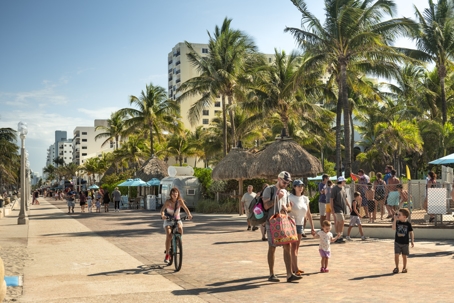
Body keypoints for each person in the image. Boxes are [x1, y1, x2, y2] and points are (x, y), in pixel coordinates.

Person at [262, 171, 301, 283]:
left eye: (287, 183)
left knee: (287, 246)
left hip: (283, 222)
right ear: (279, 179)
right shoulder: (269, 190)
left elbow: (289, 208)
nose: (286, 184)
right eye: (284, 182)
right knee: (272, 247)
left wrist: (287, 208)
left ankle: (289, 274)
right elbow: (266, 206)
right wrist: (277, 198)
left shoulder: (286, 192)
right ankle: (271, 274)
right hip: (272, 222)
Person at [289, 179, 315, 276]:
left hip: (300, 225)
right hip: (291, 224)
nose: (300, 188)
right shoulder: (290, 197)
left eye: (302, 186)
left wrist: (312, 227)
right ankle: (295, 269)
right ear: (294, 187)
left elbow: (308, 213)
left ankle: (294, 267)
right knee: (294, 247)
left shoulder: (305, 198)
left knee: (297, 247)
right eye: (298, 186)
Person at [160, 187, 193, 264]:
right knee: (169, 235)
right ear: (171, 195)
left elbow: (186, 209)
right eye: (173, 193)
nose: (175, 194)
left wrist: (189, 214)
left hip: (177, 219)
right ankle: (167, 254)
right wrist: (163, 215)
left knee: (180, 228)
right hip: (168, 220)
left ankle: (179, 241)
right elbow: (162, 210)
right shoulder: (168, 202)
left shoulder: (180, 201)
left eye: (176, 193)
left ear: (178, 194)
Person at [392, 208, 414, 274]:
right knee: (396, 255)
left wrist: (412, 241)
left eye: (399, 215)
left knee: (404, 256)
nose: (398, 216)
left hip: (405, 243)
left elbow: (411, 232)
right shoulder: (397, 222)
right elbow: (393, 228)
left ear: (404, 216)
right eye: (398, 214)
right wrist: (395, 220)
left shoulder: (408, 224)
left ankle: (404, 267)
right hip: (397, 242)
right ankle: (396, 267)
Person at [329, 177, 351, 243]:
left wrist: (349, 205)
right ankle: (339, 236)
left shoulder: (343, 188)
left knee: (339, 222)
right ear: (341, 181)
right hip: (337, 208)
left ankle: (338, 237)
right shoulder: (334, 189)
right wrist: (332, 208)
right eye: (344, 181)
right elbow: (331, 199)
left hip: (342, 208)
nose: (345, 182)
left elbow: (345, 198)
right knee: (342, 221)